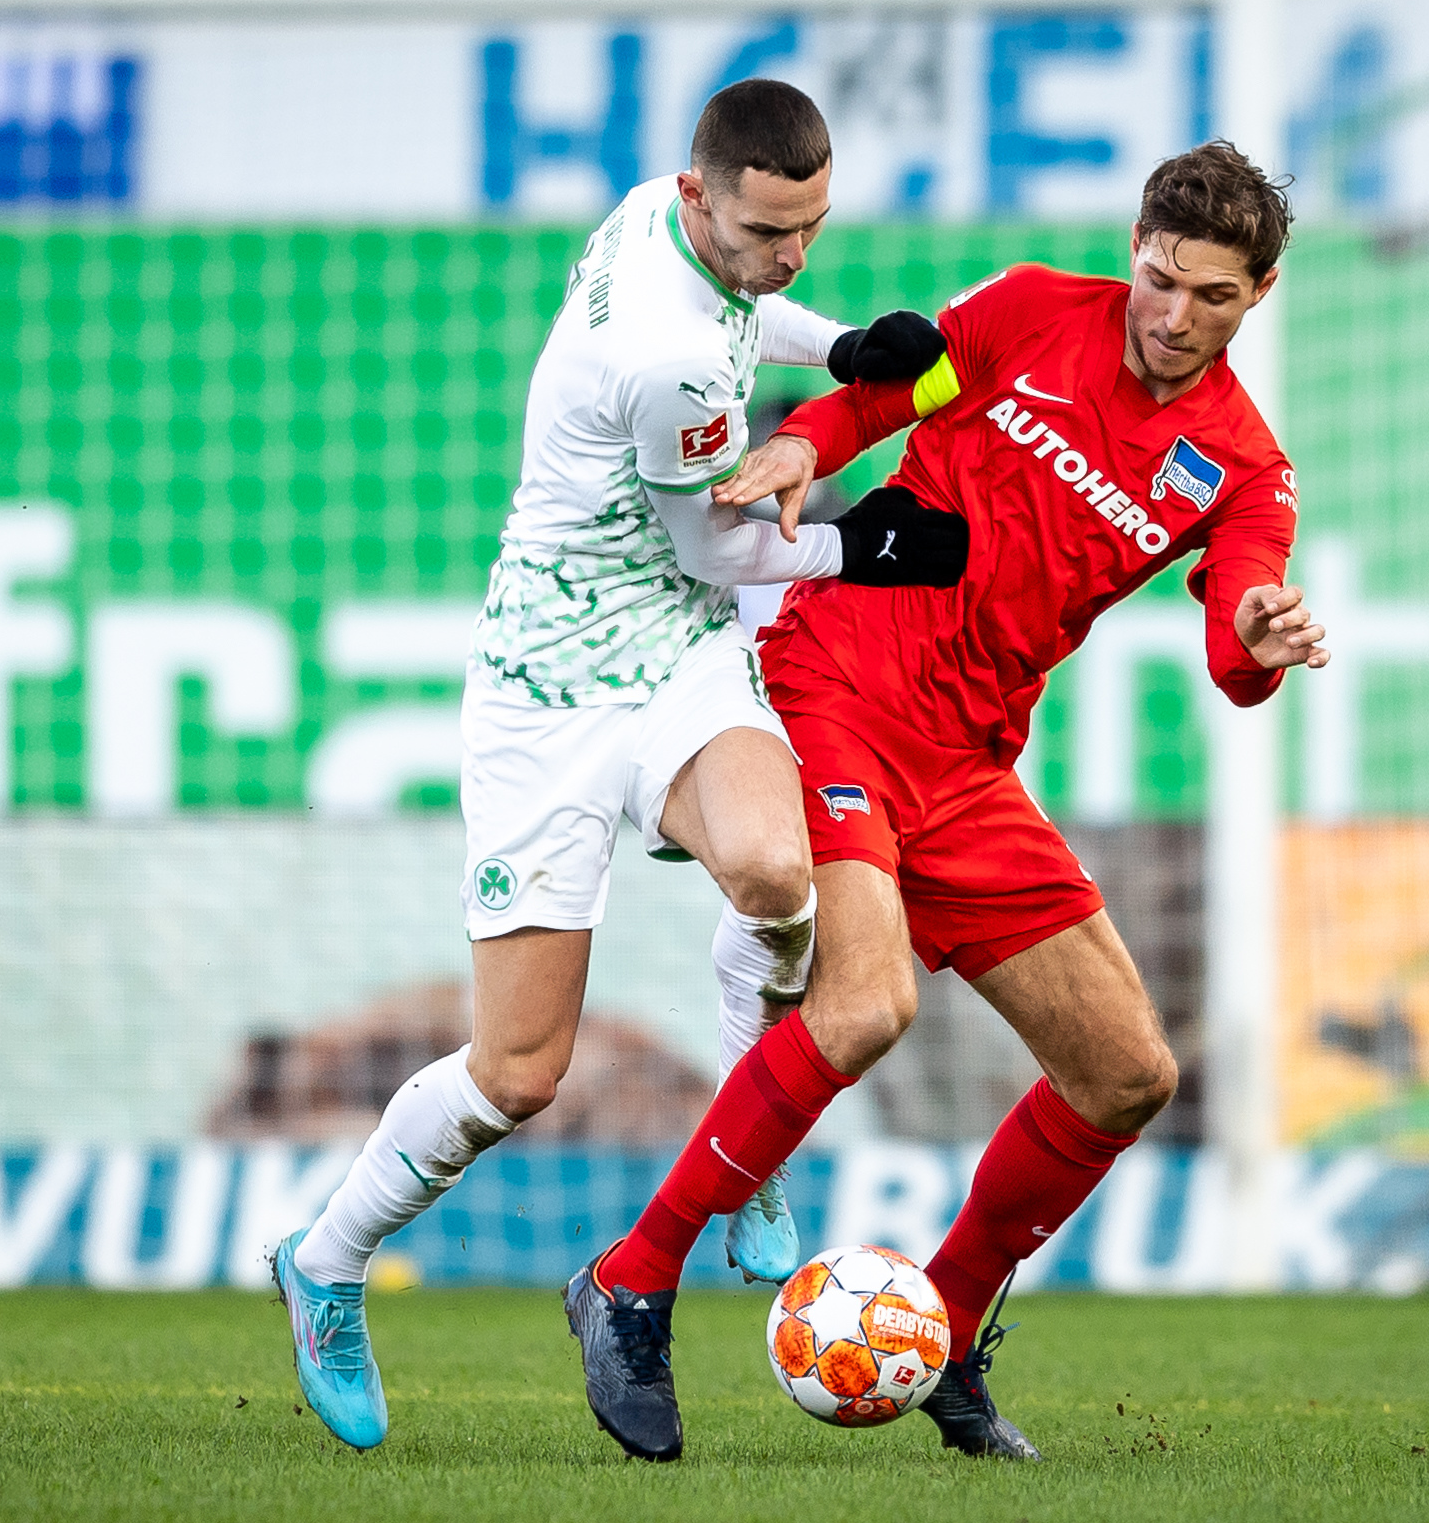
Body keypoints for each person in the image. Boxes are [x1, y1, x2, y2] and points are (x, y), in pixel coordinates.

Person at [568, 142, 1329, 1463]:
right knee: (866, 1005)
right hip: (839, 679)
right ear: (1132, 252)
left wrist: (1255, 639)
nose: (1170, 314)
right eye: (1158, 278)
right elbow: (882, 395)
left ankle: (951, 1332)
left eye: (1208, 296)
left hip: (969, 765)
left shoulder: (1243, 469)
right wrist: (803, 441)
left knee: (1124, 1073)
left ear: (1255, 294)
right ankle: (631, 1281)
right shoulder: (1036, 305)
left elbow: (1234, 625)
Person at [273, 80, 965, 1451]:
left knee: (777, 873)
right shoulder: (660, 361)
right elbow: (720, 541)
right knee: (520, 1070)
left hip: (678, 657)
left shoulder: (658, 214)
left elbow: (745, 312)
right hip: (545, 696)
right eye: (773, 231)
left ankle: (746, 1144)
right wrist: (861, 545)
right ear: (706, 196)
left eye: (815, 227)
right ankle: (328, 1264)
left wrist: (833, 349)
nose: (795, 256)